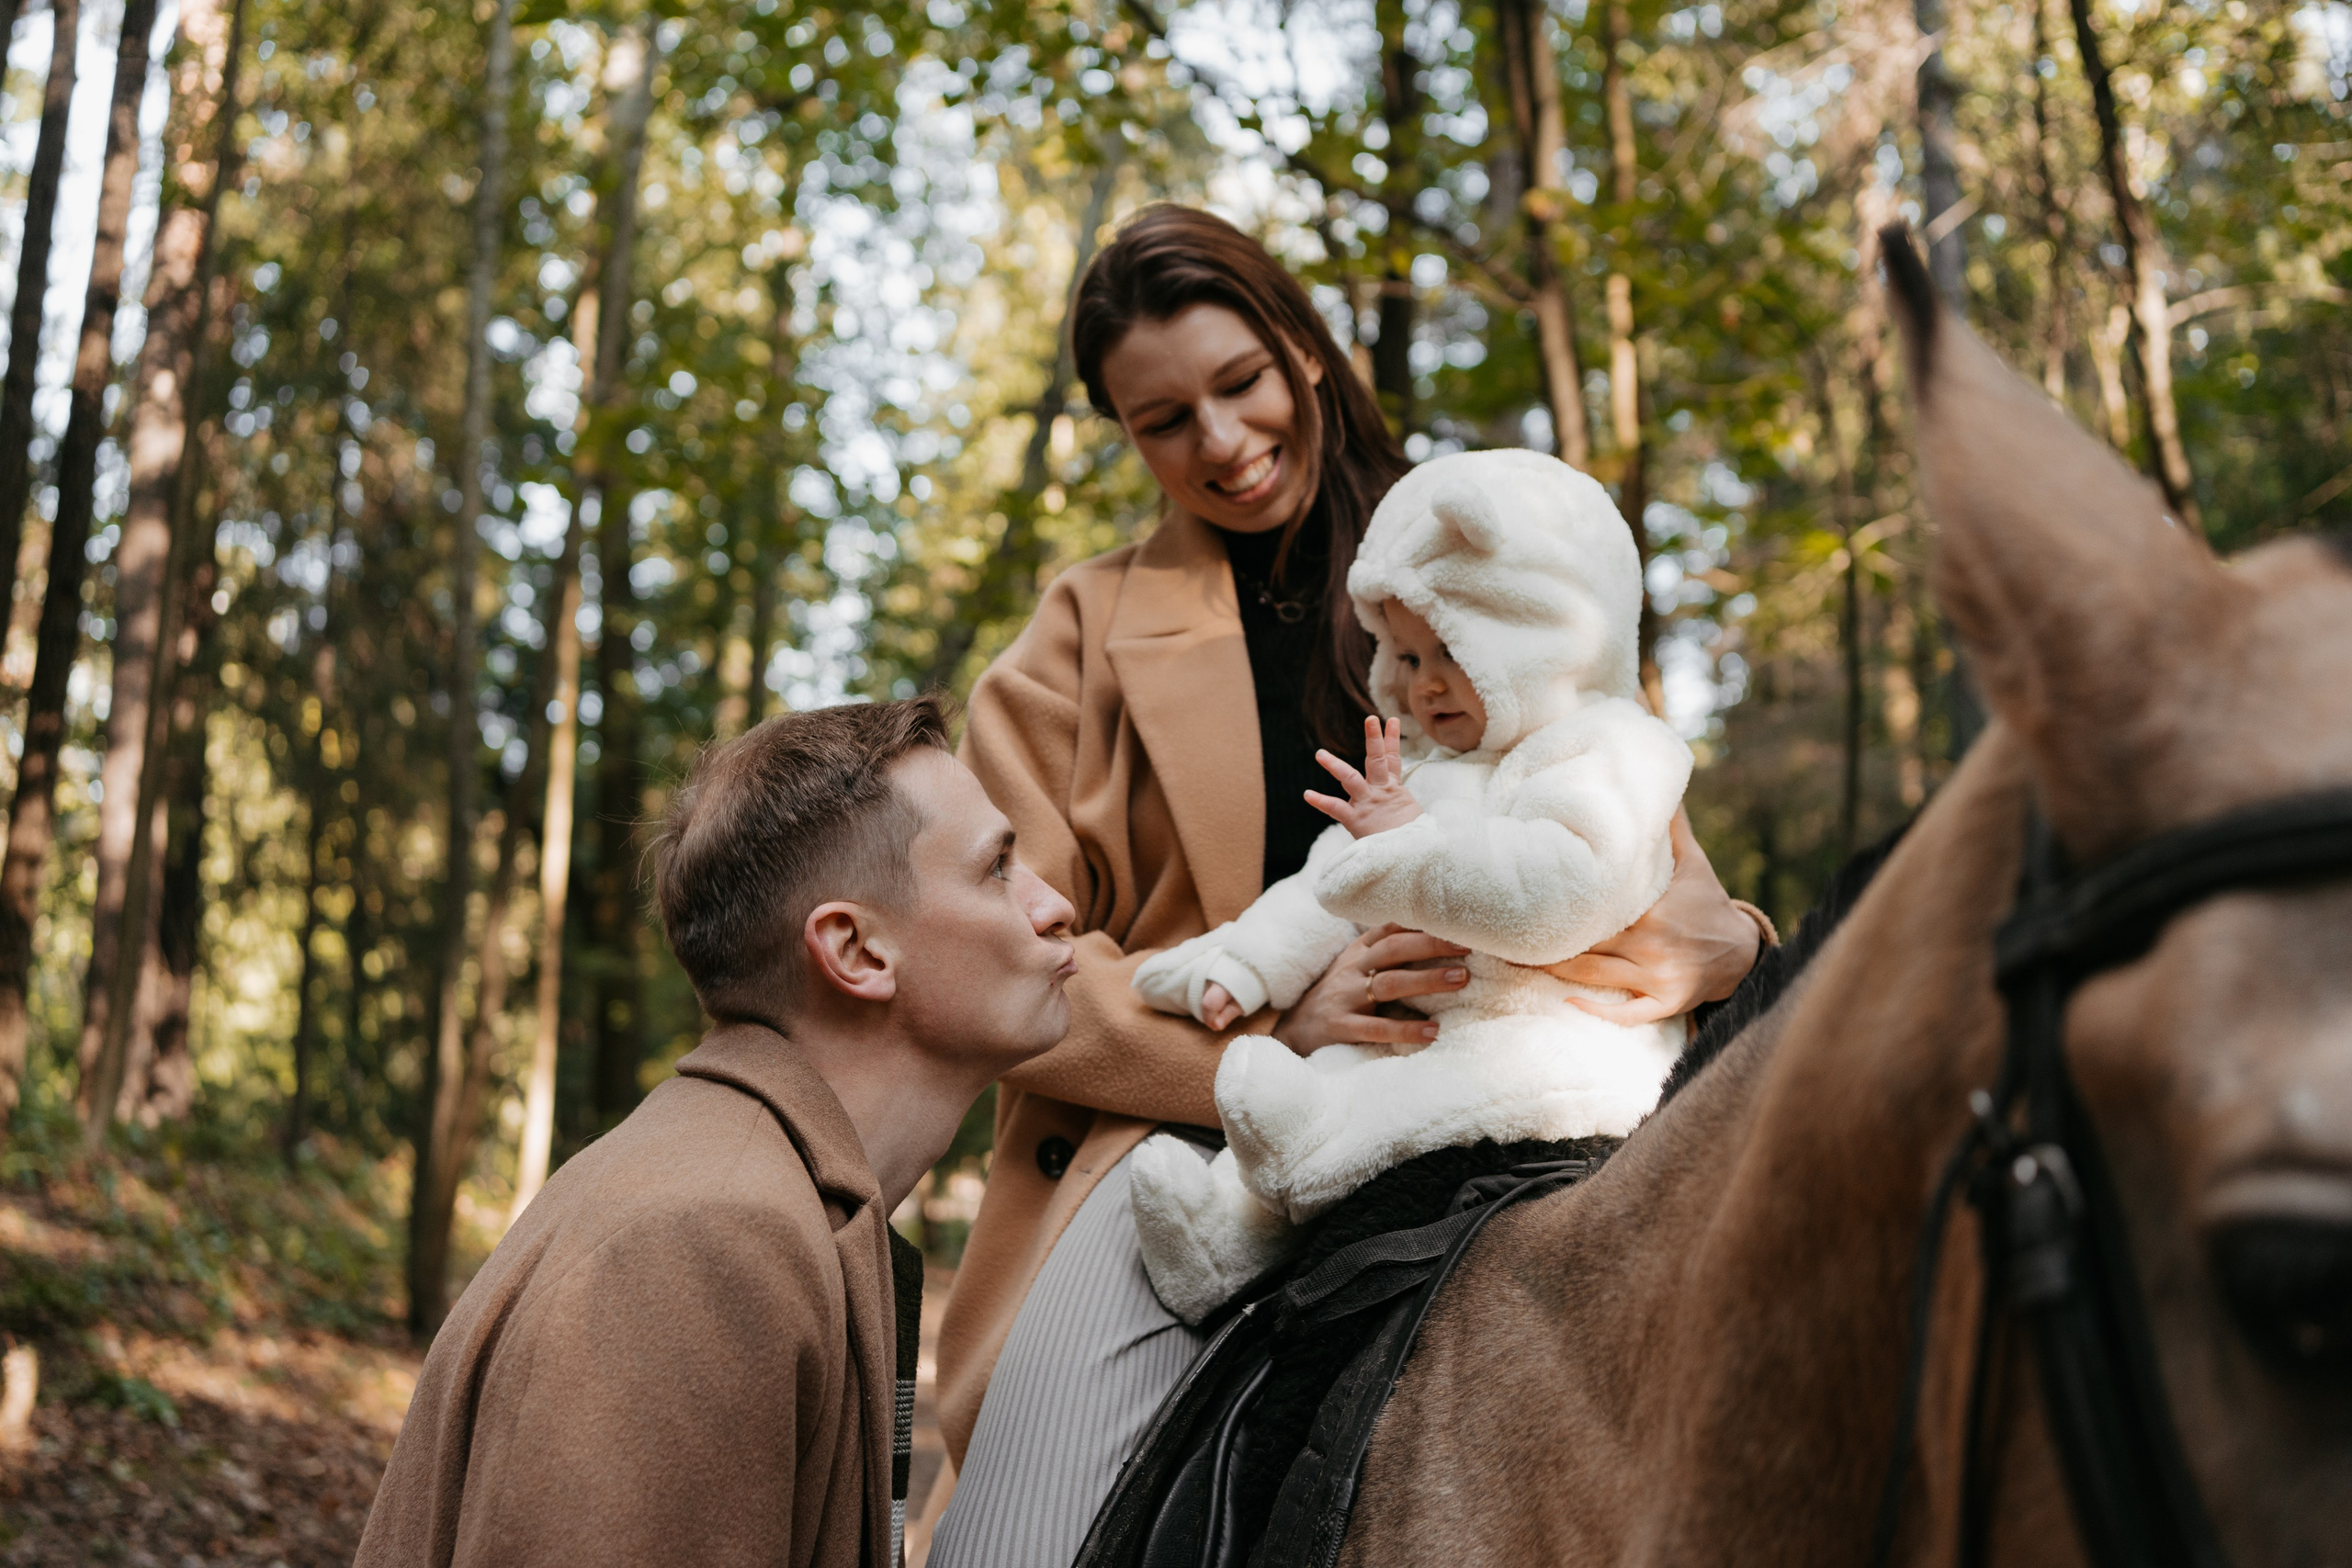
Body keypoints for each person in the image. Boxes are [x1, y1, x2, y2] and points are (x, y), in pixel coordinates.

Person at [928, 205, 1771, 1567]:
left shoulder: (1500, 558)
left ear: (1306, 351)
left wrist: (1729, 942)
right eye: (1160, 420)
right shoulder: (1075, 638)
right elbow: (991, 954)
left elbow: (1655, 857)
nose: (1218, 439)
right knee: (1009, 1550)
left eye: (1241, 382)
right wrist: (1268, 1028)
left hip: (1532, 1101)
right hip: (1201, 1129)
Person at [354, 699, 1077, 1568]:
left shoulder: (765, 1200)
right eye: (997, 867)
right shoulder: (705, 1246)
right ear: (855, 950)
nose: (1056, 904)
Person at [1126, 446, 1694, 1323]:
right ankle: (1217, 1246)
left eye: (1451, 649)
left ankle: (1301, 1159)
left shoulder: (1613, 748)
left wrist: (1406, 855)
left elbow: (1561, 891)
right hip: (1435, 1033)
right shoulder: (1427, 776)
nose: (1422, 684)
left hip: (1555, 1052)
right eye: (1400, 652)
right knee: (1364, 1072)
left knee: (1372, 1106)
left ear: (1538, 636)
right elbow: (1325, 887)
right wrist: (1242, 965)